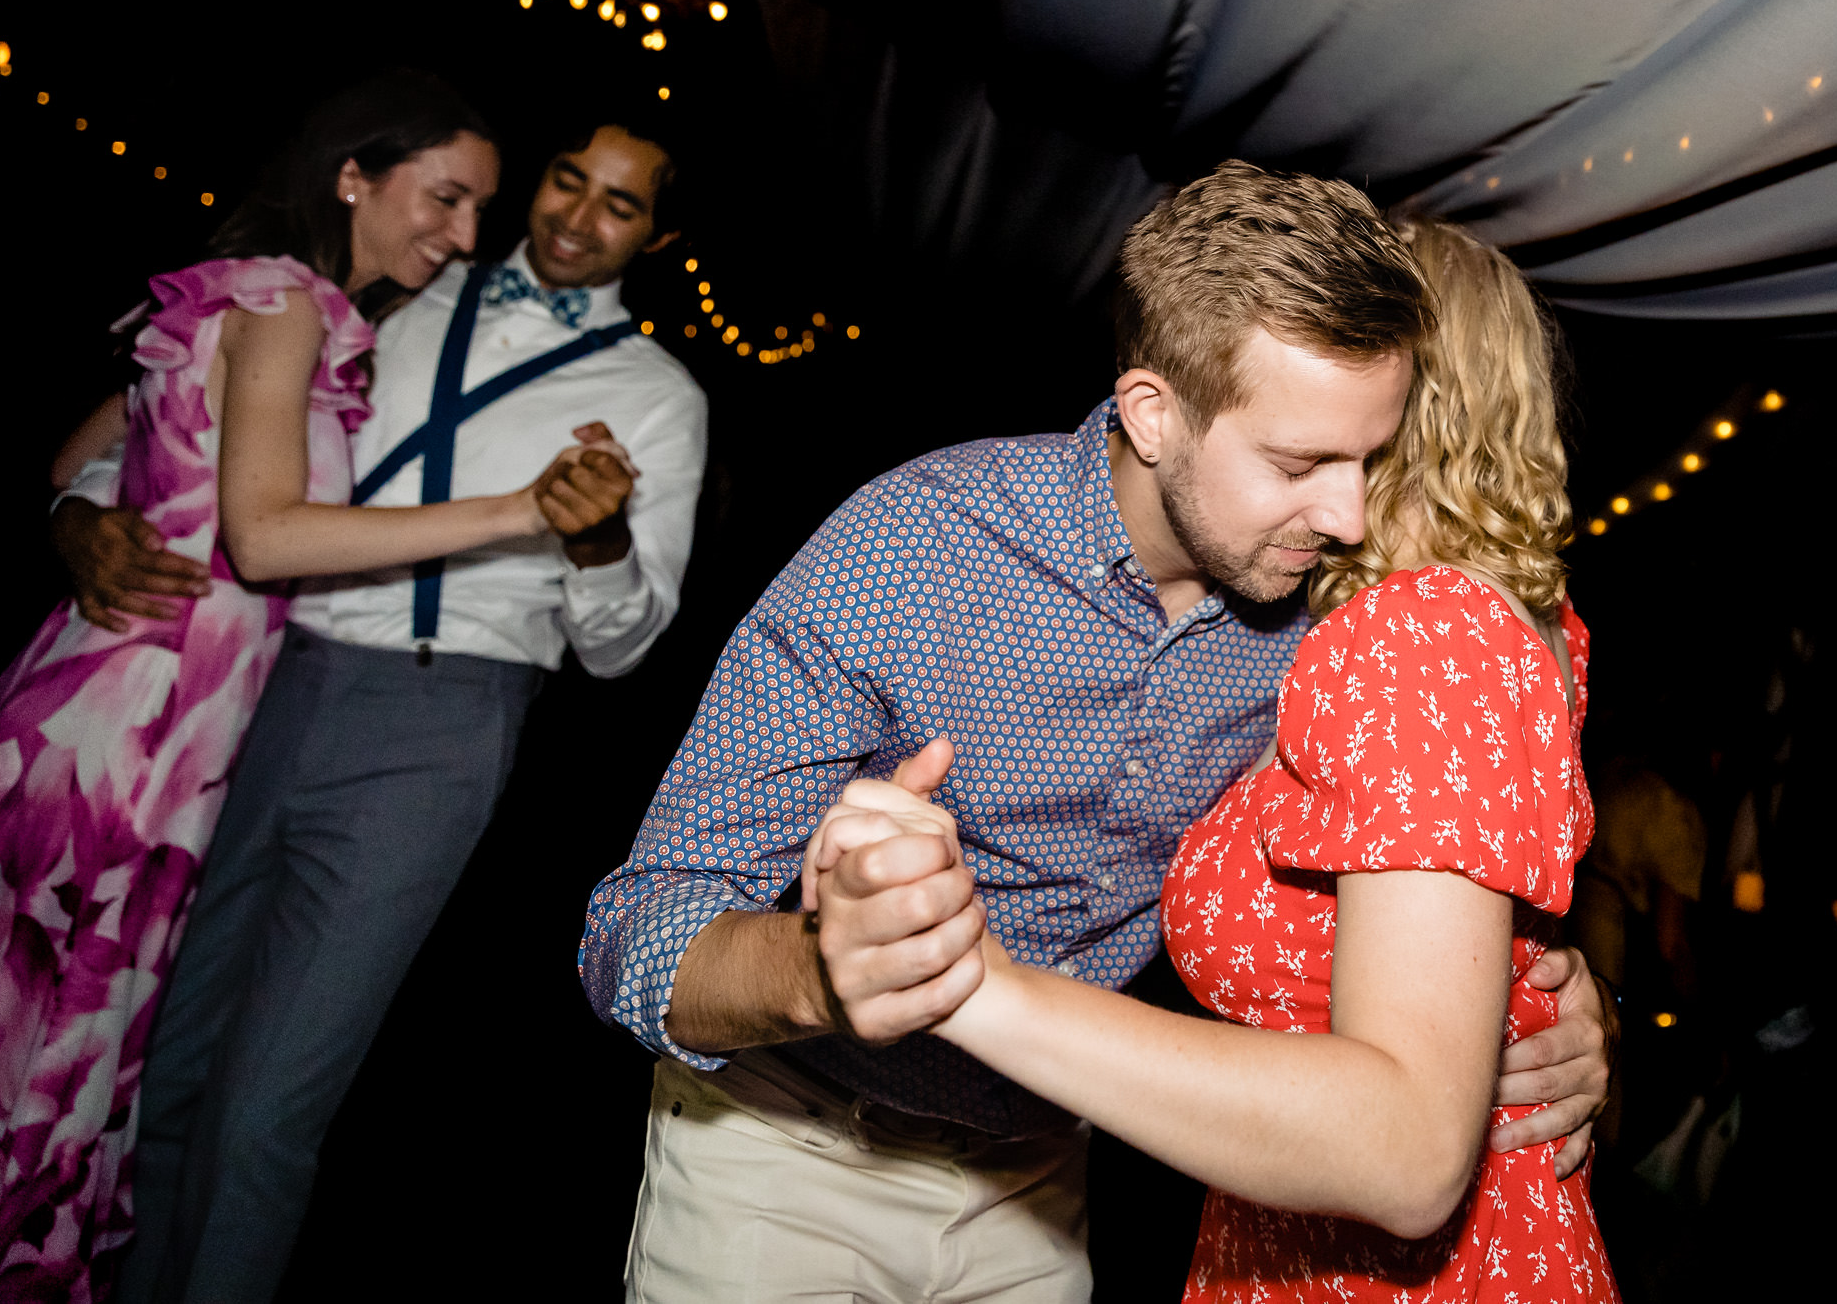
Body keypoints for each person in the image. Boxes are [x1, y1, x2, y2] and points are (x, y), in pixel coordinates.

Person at [580, 164, 1613, 1301]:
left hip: (1044, 1182)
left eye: (1368, 459)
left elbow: (1426, 871)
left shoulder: (1331, 618)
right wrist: (824, 974)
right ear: (1151, 413)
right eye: (1296, 464)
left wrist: (1558, 997)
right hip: (788, 1156)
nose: (1348, 512)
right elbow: (635, 929)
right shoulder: (916, 548)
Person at [0, 72, 632, 1299]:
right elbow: (259, 531)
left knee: (70, 1038)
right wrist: (525, 510)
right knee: (45, 1039)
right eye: (446, 198)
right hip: (132, 723)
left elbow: (89, 452)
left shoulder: (325, 309)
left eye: (474, 208)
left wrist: (84, 505)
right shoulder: (287, 295)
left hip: (183, 728)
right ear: (353, 174)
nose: (463, 235)